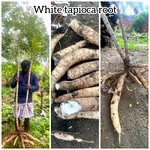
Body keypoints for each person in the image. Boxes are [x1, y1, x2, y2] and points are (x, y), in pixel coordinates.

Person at [11, 60, 39, 132]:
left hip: (27, 100)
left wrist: (31, 88)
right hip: (18, 99)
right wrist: (15, 81)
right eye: (23, 68)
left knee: (26, 117)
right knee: (17, 117)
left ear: (29, 67)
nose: (25, 69)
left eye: (26, 68)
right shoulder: (18, 74)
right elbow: (12, 86)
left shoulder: (33, 75)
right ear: (21, 67)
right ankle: (17, 131)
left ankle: (26, 131)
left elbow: (37, 87)